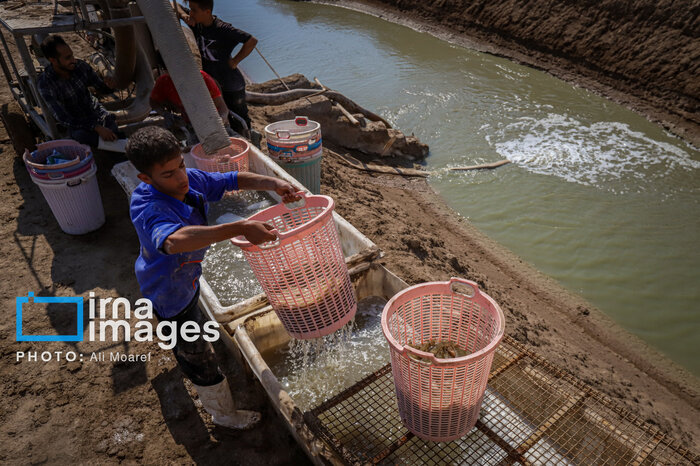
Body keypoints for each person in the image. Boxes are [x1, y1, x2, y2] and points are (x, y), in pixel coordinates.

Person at [127, 125, 299, 429]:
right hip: (170, 292)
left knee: (185, 320)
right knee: (200, 359)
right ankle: (224, 415)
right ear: (145, 179)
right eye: (168, 174)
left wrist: (274, 181)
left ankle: (170, 330)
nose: (181, 177)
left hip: (183, 278)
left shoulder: (188, 181)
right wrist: (241, 227)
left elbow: (232, 178)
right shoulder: (149, 207)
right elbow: (175, 241)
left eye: (181, 165)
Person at [174, 0, 257, 136]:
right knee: (222, 115)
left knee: (239, 116)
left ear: (207, 12)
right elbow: (173, 5)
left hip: (231, 83)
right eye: (191, 10)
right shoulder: (197, 24)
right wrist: (184, 15)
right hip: (212, 81)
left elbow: (251, 41)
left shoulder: (223, 29)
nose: (192, 13)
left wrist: (235, 61)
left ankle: (249, 138)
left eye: (194, 10)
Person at [37, 35, 118, 147]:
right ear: (53, 60)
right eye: (67, 58)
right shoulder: (46, 83)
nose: (73, 60)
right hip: (77, 123)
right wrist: (96, 127)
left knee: (112, 126)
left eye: (72, 56)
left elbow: (101, 88)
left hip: (94, 112)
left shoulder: (80, 67)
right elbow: (63, 118)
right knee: (82, 137)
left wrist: (110, 85)